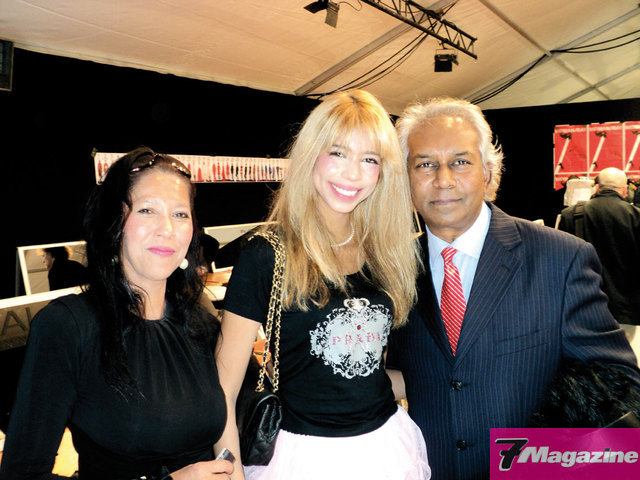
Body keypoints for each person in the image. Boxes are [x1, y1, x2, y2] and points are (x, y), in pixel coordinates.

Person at [386, 96, 640, 480]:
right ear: (405, 179)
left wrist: (530, 464)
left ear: (489, 173)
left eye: (460, 162)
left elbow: (617, 386)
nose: (443, 179)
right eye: (425, 164)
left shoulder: (560, 259)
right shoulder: (393, 270)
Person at [215, 90, 431, 480]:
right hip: (301, 455)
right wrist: (231, 476)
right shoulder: (267, 254)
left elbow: (368, 369)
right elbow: (224, 390)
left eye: (369, 159)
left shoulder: (387, 253)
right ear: (312, 154)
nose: (353, 174)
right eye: (338, 153)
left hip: (386, 448)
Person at [0, 147, 233, 480]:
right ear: (114, 223)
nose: (167, 228)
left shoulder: (202, 325)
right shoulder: (68, 327)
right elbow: (21, 474)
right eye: (147, 210)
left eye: (181, 214)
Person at [558, 167, 640, 326]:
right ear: (625, 191)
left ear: (596, 187)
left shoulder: (571, 215)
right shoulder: (636, 216)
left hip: (581, 308)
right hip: (626, 312)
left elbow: (559, 264)